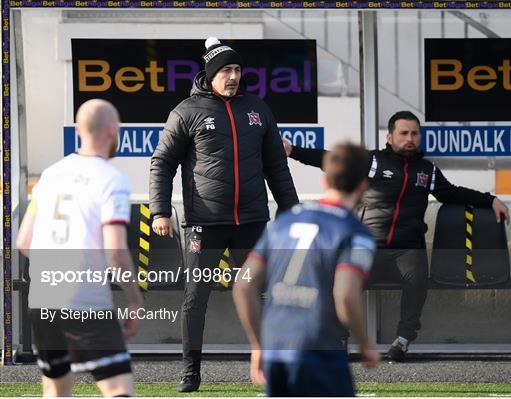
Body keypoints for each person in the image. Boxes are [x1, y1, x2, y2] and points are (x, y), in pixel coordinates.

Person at [283, 111, 510, 362]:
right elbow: (332, 160)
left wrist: (490, 200)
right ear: (390, 137)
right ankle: (337, 338)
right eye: (404, 133)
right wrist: (293, 151)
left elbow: (453, 193)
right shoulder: (372, 162)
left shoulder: (427, 171)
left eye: (414, 133)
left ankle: (401, 341)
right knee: (342, 281)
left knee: (417, 280)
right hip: (368, 246)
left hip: (407, 249)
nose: (410, 138)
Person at [149, 37, 299, 392]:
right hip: (205, 223)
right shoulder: (185, 111)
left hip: (252, 222)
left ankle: (270, 366)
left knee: (262, 293)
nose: (233, 76)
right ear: (210, 74)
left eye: (237, 70)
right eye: (226, 71)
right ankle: (190, 372)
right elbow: (162, 164)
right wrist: (160, 211)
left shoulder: (258, 109)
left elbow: (277, 167)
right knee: (195, 296)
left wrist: (292, 213)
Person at [16, 99, 144, 397]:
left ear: (78, 130)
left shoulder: (49, 176)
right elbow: (115, 251)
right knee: (119, 390)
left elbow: (24, 241)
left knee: (56, 390)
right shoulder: (113, 180)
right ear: (113, 131)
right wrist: (135, 300)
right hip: (84, 299)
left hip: (43, 299)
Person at [233, 142, 380, 397]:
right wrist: (365, 344)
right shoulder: (356, 234)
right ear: (362, 186)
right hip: (318, 347)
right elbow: (345, 296)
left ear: (325, 182)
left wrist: (258, 345)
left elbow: (243, 285)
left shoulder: (285, 221)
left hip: (276, 344)